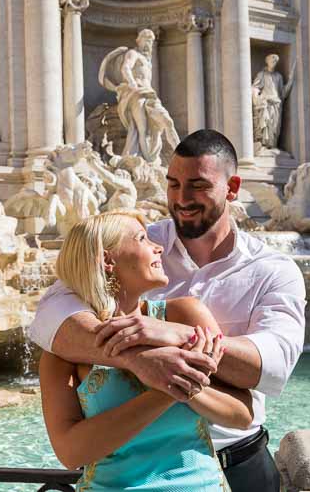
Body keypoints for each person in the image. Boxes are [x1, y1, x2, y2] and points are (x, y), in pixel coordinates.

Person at [29, 129, 307, 492]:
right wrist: (138, 359)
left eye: (197, 185)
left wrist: (175, 335)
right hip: (126, 474)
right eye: (173, 184)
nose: (181, 198)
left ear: (232, 187)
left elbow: (272, 366)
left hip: (238, 465)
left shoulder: (274, 270)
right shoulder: (140, 242)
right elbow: (50, 314)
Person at [40, 210, 253, 490]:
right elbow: (70, 453)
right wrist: (169, 387)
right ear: (107, 260)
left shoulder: (184, 315)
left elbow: (242, 416)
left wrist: (182, 383)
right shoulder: (64, 350)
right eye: (142, 239)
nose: (159, 247)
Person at [98, 29, 180, 164]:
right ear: (138, 40)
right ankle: (146, 161)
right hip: (136, 94)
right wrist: (132, 84)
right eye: (146, 39)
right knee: (143, 129)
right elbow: (126, 68)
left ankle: (181, 155)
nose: (148, 43)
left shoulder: (148, 61)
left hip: (150, 95)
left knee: (167, 122)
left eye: (151, 41)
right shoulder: (133, 53)